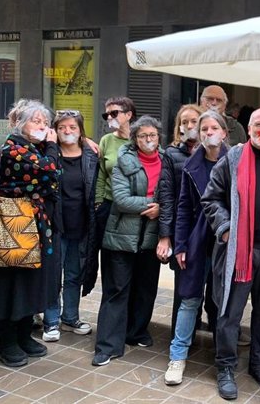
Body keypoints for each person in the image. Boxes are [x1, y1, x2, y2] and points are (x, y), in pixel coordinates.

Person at [202, 108, 260, 400]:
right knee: (230, 313)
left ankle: (258, 360)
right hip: (239, 252)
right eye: (259, 124)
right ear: (249, 127)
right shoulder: (231, 159)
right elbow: (211, 198)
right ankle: (226, 367)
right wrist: (226, 227)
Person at [0, 100, 62, 367]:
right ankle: (6, 341)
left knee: (32, 279)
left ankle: (24, 333)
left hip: (36, 223)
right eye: (36, 121)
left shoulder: (33, 148)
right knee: (12, 280)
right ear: (21, 123)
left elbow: (52, 179)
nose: (43, 126)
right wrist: (52, 147)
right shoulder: (14, 148)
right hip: (13, 222)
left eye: (46, 122)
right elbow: (50, 170)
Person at [164, 111, 229, 386]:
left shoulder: (235, 161)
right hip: (196, 241)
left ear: (224, 132)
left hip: (226, 242)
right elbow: (182, 208)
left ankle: (224, 358)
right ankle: (177, 356)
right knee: (189, 299)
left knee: (223, 301)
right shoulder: (191, 164)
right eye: (204, 128)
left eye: (214, 127)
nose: (208, 132)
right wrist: (180, 244)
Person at [92, 115, 163, 366]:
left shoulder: (166, 161)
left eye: (152, 135)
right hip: (121, 235)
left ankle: (136, 332)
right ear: (135, 138)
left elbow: (173, 195)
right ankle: (108, 345)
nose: (148, 140)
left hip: (151, 237)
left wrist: (161, 208)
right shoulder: (124, 160)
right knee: (117, 289)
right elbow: (121, 199)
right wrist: (153, 206)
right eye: (143, 136)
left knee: (146, 288)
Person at [41, 110, 99, 342]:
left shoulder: (91, 155)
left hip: (82, 225)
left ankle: (70, 317)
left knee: (74, 274)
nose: (68, 131)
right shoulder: (48, 154)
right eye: (62, 127)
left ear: (80, 130)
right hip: (55, 226)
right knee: (54, 275)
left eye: (73, 127)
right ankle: (51, 321)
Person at [157, 104, 202, 334]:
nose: (189, 126)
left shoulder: (212, 151)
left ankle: (201, 326)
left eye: (194, 121)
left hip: (206, 228)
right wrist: (166, 235)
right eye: (184, 122)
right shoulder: (170, 153)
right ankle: (182, 335)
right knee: (182, 286)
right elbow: (166, 195)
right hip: (181, 229)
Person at [95, 96, 136, 254]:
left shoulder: (141, 139)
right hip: (109, 203)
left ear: (128, 115)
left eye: (114, 113)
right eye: (106, 115)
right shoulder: (106, 140)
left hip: (135, 205)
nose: (109, 118)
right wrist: (98, 202)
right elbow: (101, 173)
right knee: (108, 253)